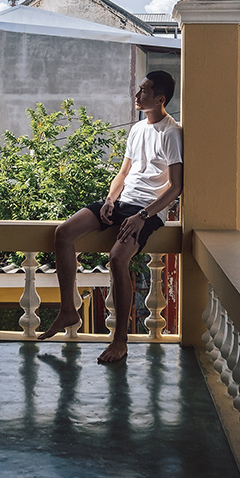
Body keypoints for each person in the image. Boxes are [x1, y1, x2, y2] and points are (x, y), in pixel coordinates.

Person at [39, 71, 183, 363]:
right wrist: (109, 200)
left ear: (160, 99)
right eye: (139, 89)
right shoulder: (137, 129)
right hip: (122, 202)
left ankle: (120, 340)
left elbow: (176, 186)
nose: (137, 95)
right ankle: (68, 310)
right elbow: (124, 172)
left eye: (144, 91)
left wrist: (143, 215)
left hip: (148, 210)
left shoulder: (171, 133)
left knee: (117, 259)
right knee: (63, 233)